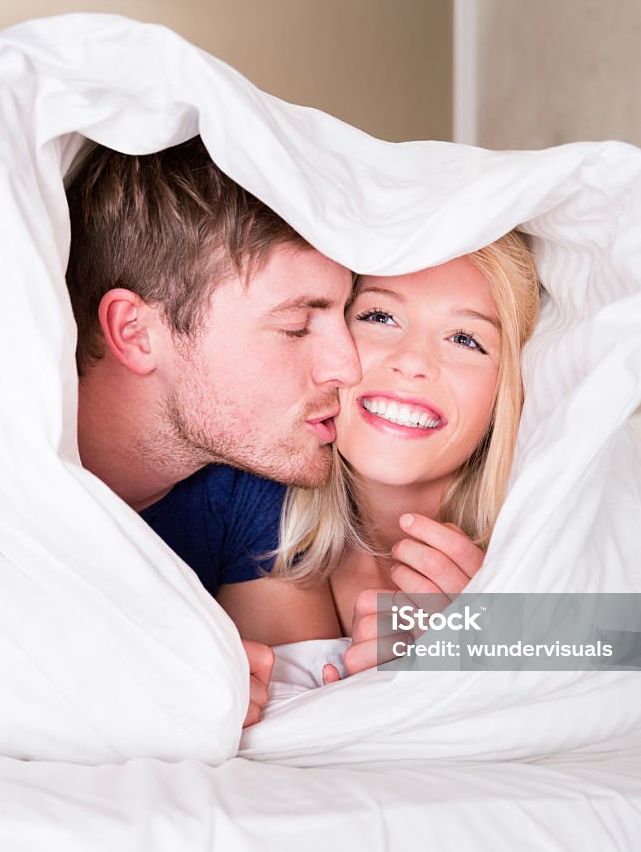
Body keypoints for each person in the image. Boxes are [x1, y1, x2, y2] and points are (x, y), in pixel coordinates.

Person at [64, 135, 361, 725]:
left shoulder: (257, 468)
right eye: (298, 326)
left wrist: (473, 643)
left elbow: (299, 722)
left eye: (350, 316)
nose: (349, 368)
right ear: (136, 332)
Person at [226, 233, 541, 681]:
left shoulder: (546, 542)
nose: (412, 360)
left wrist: (494, 661)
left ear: (506, 392)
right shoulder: (238, 497)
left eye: (466, 339)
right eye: (380, 316)